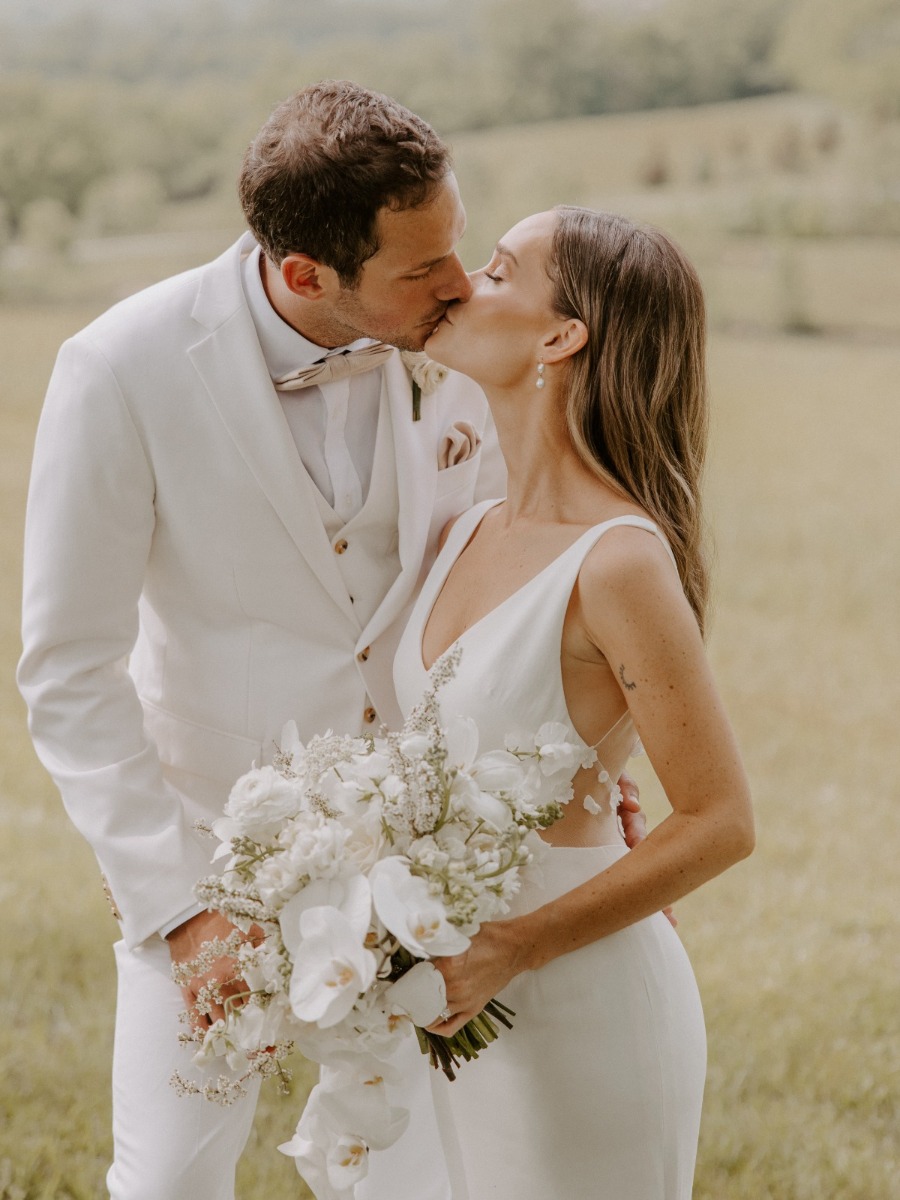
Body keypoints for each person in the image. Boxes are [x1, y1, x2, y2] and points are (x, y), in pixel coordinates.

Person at [17, 85, 648, 1200]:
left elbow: (528, 577)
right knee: (166, 1181)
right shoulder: (121, 368)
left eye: (459, 248)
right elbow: (68, 672)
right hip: (215, 860)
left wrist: (593, 759)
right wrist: (175, 900)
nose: (461, 286)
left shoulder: (462, 347)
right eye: (421, 270)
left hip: (430, 865)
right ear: (306, 274)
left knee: (416, 1177)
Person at [393, 206, 755, 1199]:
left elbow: (722, 821)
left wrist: (512, 947)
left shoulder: (621, 559)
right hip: (450, 997)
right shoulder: (466, 527)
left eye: (501, 271)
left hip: (578, 998)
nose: (464, 280)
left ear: (561, 336)